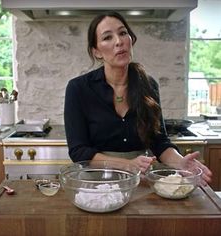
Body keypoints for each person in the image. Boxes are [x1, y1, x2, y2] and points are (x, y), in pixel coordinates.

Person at [64, 11, 212, 186]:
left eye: (122, 33)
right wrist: (127, 165)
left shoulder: (149, 85)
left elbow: (159, 142)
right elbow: (79, 151)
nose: (119, 41)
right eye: (107, 37)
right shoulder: (79, 88)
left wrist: (179, 162)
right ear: (96, 52)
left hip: (140, 181)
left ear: (130, 40)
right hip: (97, 183)